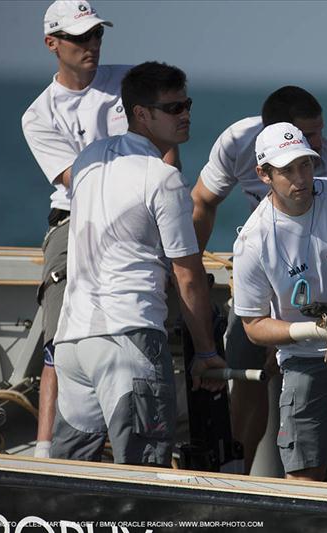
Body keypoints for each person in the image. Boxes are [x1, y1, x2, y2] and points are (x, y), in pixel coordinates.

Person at [21, 0, 176, 458]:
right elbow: (82, 182)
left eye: (96, 35)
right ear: (52, 44)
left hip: (144, 205)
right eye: (79, 38)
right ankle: (48, 453)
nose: (92, 44)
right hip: (75, 218)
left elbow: (168, 148)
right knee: (60, 326)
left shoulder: (129, 82)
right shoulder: (39, 115)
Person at [51, 62, 225, 465]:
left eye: (188, 104)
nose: (184, 115)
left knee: (68, 479)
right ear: (141, 114)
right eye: (173, 107)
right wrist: (204, 352)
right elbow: (187, 273)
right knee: (143, 474)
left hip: (73, 343)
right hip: (128, 341)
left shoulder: (89, 159)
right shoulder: (162, 179)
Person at [191, 86, 327, 473]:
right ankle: (238, 473)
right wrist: (188, 266)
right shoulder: (236, 142)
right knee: (246, 367)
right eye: (307, 135)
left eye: (318, 133)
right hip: (262, 269)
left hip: (314, 285)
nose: (318, 144)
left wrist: (291, 329)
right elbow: (202, 201)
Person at [232, 122, 327, 481]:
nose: (300, 178)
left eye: (306, 165)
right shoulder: (252, 241)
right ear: (263, 175)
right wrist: (311, 330)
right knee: (304, 474)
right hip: (303, 359)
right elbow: (253, 326)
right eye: (287, 170)